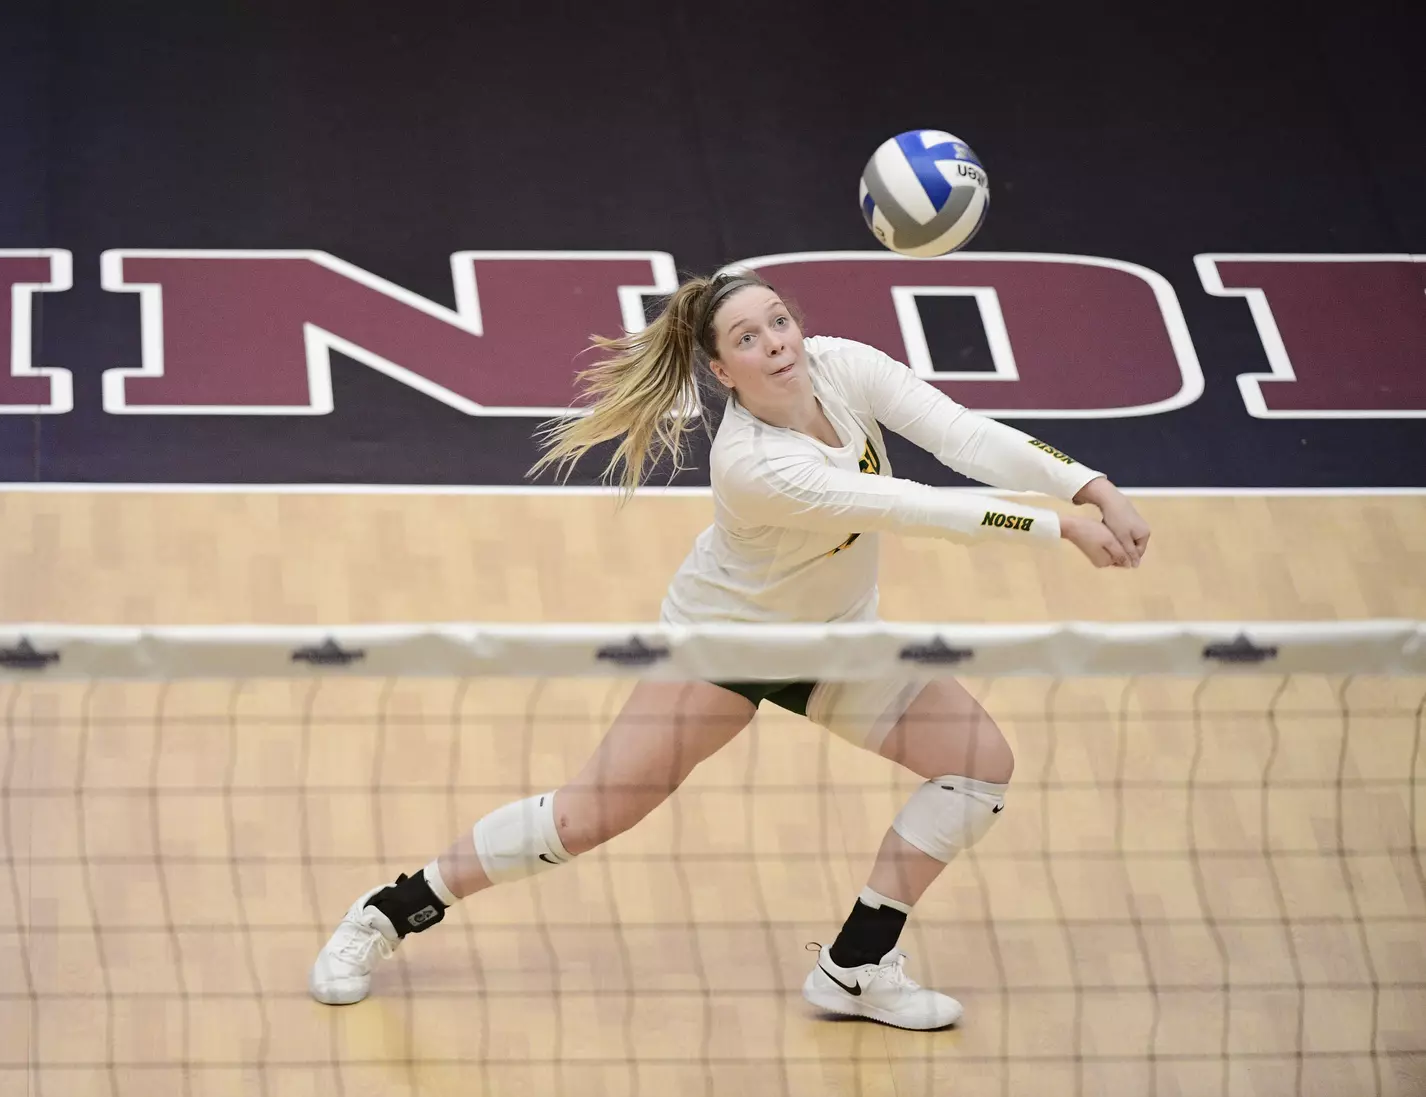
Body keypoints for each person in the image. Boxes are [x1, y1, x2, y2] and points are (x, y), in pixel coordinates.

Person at [309, 266, 1149, 1029]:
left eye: (779, 322)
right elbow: (913, 505)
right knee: (584, 817)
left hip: (837, 642)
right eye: (748, 338)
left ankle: (855, 966)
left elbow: (961, 434)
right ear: (721, 371)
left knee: (977, 767)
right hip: (725, 649)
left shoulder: (841, 365)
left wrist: (1088, 484)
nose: (776, 343)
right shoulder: (754, 463)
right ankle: (385, 913)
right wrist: (1060, 529)